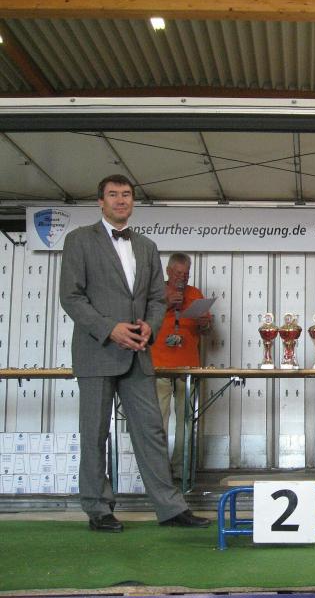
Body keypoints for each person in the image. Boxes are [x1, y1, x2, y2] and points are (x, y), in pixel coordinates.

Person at [59, 174, 210, 532]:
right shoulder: (79, 240)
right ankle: (98, 508)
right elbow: (71, 297)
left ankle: (170, 508)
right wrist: (109, 328)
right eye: (113, 195)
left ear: (132, 201)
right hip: (97, 351)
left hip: (139, 355)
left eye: (126, 194)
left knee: (152, 431)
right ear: (101, 201)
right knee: (94, 433)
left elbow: (157, 300)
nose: (120, 200)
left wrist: (150, 328)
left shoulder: (146, 246)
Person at [151, 253, 212, 479]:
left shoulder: (195, 294)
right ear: (168, 271)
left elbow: (206, 331)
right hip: (159, 365)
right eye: (178, 273)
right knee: (158, 420)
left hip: (188, 367)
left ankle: (181, 468)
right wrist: (166, 304)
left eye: (186, 274)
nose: (182, 278)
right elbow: (142, 320)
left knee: (186, 421)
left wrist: (204, 323)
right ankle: (158, 471)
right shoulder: (154, 291)